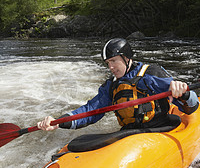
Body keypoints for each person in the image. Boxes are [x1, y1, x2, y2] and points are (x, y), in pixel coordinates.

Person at [37, 38, 199, 132]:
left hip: (158, 129)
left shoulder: (151, 74)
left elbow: (192, 105)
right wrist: (59, 122)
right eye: (108, 63)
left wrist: (183, 92)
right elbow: (90, 111)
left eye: (114, 61)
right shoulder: (111, 86)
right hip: (129, 134)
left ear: (127, 58)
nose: (111, 67)